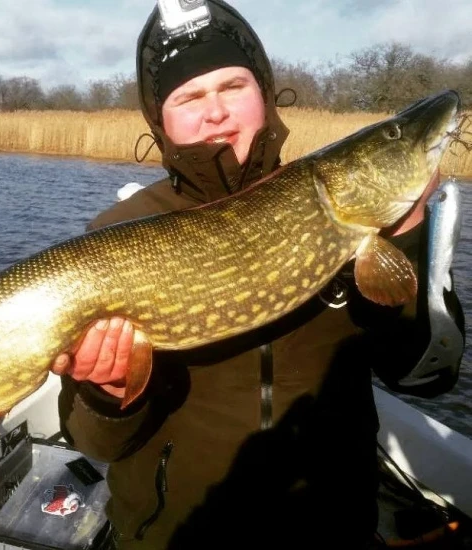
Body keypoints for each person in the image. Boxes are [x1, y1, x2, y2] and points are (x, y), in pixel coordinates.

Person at [52, 1, 464, 548]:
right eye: (189, 97)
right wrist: (106, 391)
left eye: (233, 86)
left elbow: (426, 378)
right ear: (159, 120)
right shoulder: (120, 231)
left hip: (332, 529)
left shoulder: (349, 215)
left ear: (265, 95)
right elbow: (97, 445)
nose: (216, 112)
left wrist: (406, 238)